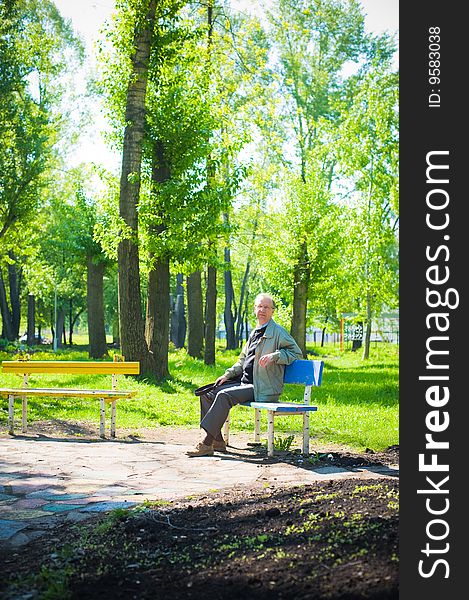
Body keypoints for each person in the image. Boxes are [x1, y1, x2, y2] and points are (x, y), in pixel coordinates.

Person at [187, 293, 302, 457]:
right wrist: (227, 375)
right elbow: (242, 360)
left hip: (263, 387)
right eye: (259, 306)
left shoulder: (278, 332)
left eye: (266, 307)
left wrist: (275, 356)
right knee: (208, 393)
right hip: (245, 383)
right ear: (255, 309)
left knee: (224, 396)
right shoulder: (255, 332)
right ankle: (218, 442)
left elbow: (296, 354)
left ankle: (205, 444)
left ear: (272, 311)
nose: (262, 310)